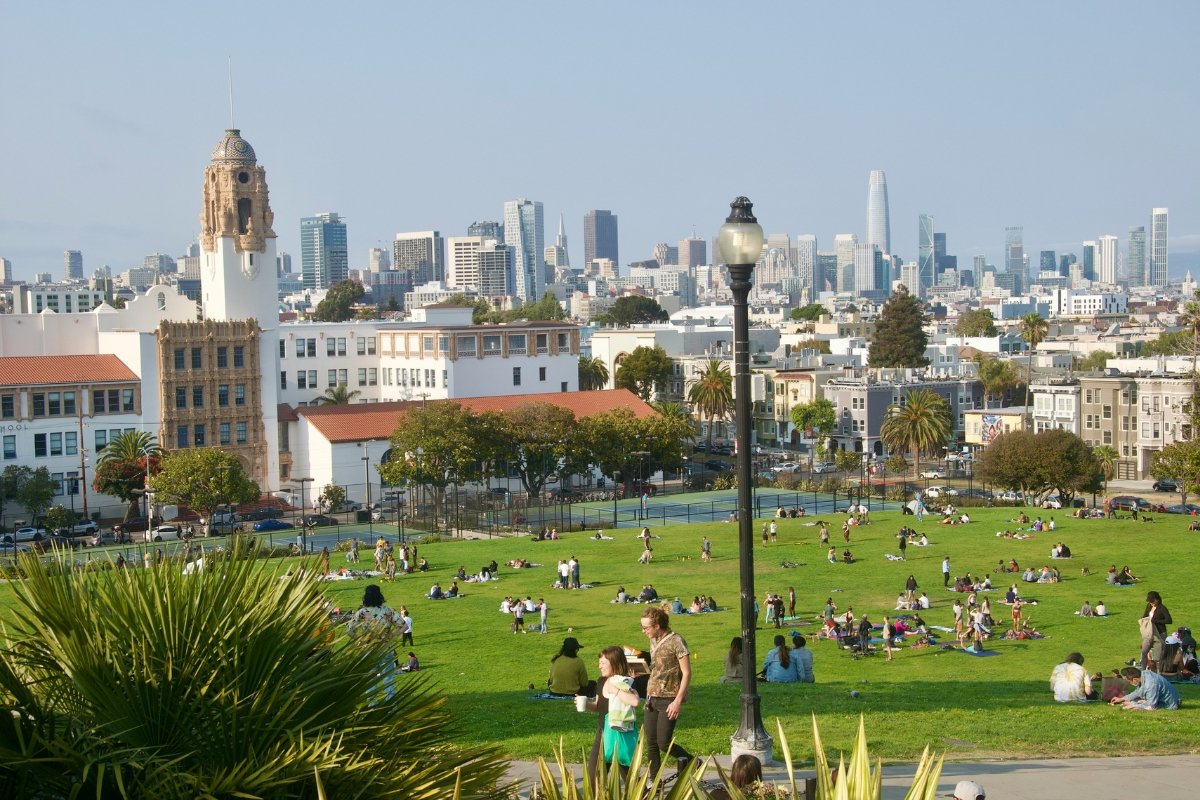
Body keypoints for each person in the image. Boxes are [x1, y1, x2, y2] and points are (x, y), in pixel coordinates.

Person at [640, 606, 693, 776]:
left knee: (663, 743)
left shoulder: (676, 641)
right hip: (651, 697)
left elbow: (686, 673)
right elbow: (658, 668)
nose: (643, 631)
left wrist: (677, 701)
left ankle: (692, 763)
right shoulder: (653, 640)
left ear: (657, 626)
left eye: (646, 627)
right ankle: (653, 780)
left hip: (669, 698)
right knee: (651, 743)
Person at [345, 584, 405, 701]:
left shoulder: (361, 612)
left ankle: (372, 708)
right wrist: (391, 636)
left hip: (367, 649)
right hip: (385, 649)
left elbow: (349, 630)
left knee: (370, 683)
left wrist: (360, 639)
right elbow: (404, 626)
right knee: (388, 682)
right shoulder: (388, 610)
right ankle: (391, 708)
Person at [597, 646, 640, 776]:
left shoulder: (621, 681)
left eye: (603, 663)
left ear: (614, 663)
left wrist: (615, 690)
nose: (600, 666)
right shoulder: (600, 681)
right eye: (599, 663)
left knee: (628, 776)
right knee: (596, 775)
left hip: (618, 730)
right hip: (602, 731)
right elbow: (598, 705)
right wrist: (585, 705)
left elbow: (635, 701)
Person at [1111, 666, 1180, 710]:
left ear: (1134, 679)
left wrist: (1132, 705)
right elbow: (1138, 692)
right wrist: (1122, 699)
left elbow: (1151, 706)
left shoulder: (1151, 684)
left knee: (1133, 704)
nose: (1129, 684)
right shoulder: (1144, 674)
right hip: (1161, 699)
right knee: (1133, 701)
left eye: (1129, 682)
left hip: (1168, 704)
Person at [1140, 590, 1172, 670]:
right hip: (1149, 633)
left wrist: (1155, 621)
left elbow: (1169, 620)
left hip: (1160, 633)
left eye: (1152, 601)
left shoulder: (1162, 608)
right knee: (1144, 652)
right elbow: (1145, 615)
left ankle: (1158, 672)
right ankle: (1143, 670)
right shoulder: (1149, 606)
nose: (1151, 603)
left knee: (1158, 656)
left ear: (1157, 599)